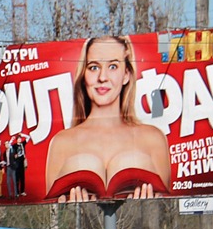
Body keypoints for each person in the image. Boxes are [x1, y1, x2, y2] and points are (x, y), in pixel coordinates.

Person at [43, 35, 171, 203]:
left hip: (136, 228)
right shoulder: (61, 142)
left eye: (112, 66)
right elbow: (52, 215)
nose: (102, 77)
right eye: (94, 67)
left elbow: (168, 209)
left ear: (126, 75)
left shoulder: (154, 139)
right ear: (84, 75)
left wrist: (144, 208)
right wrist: (74, 211)